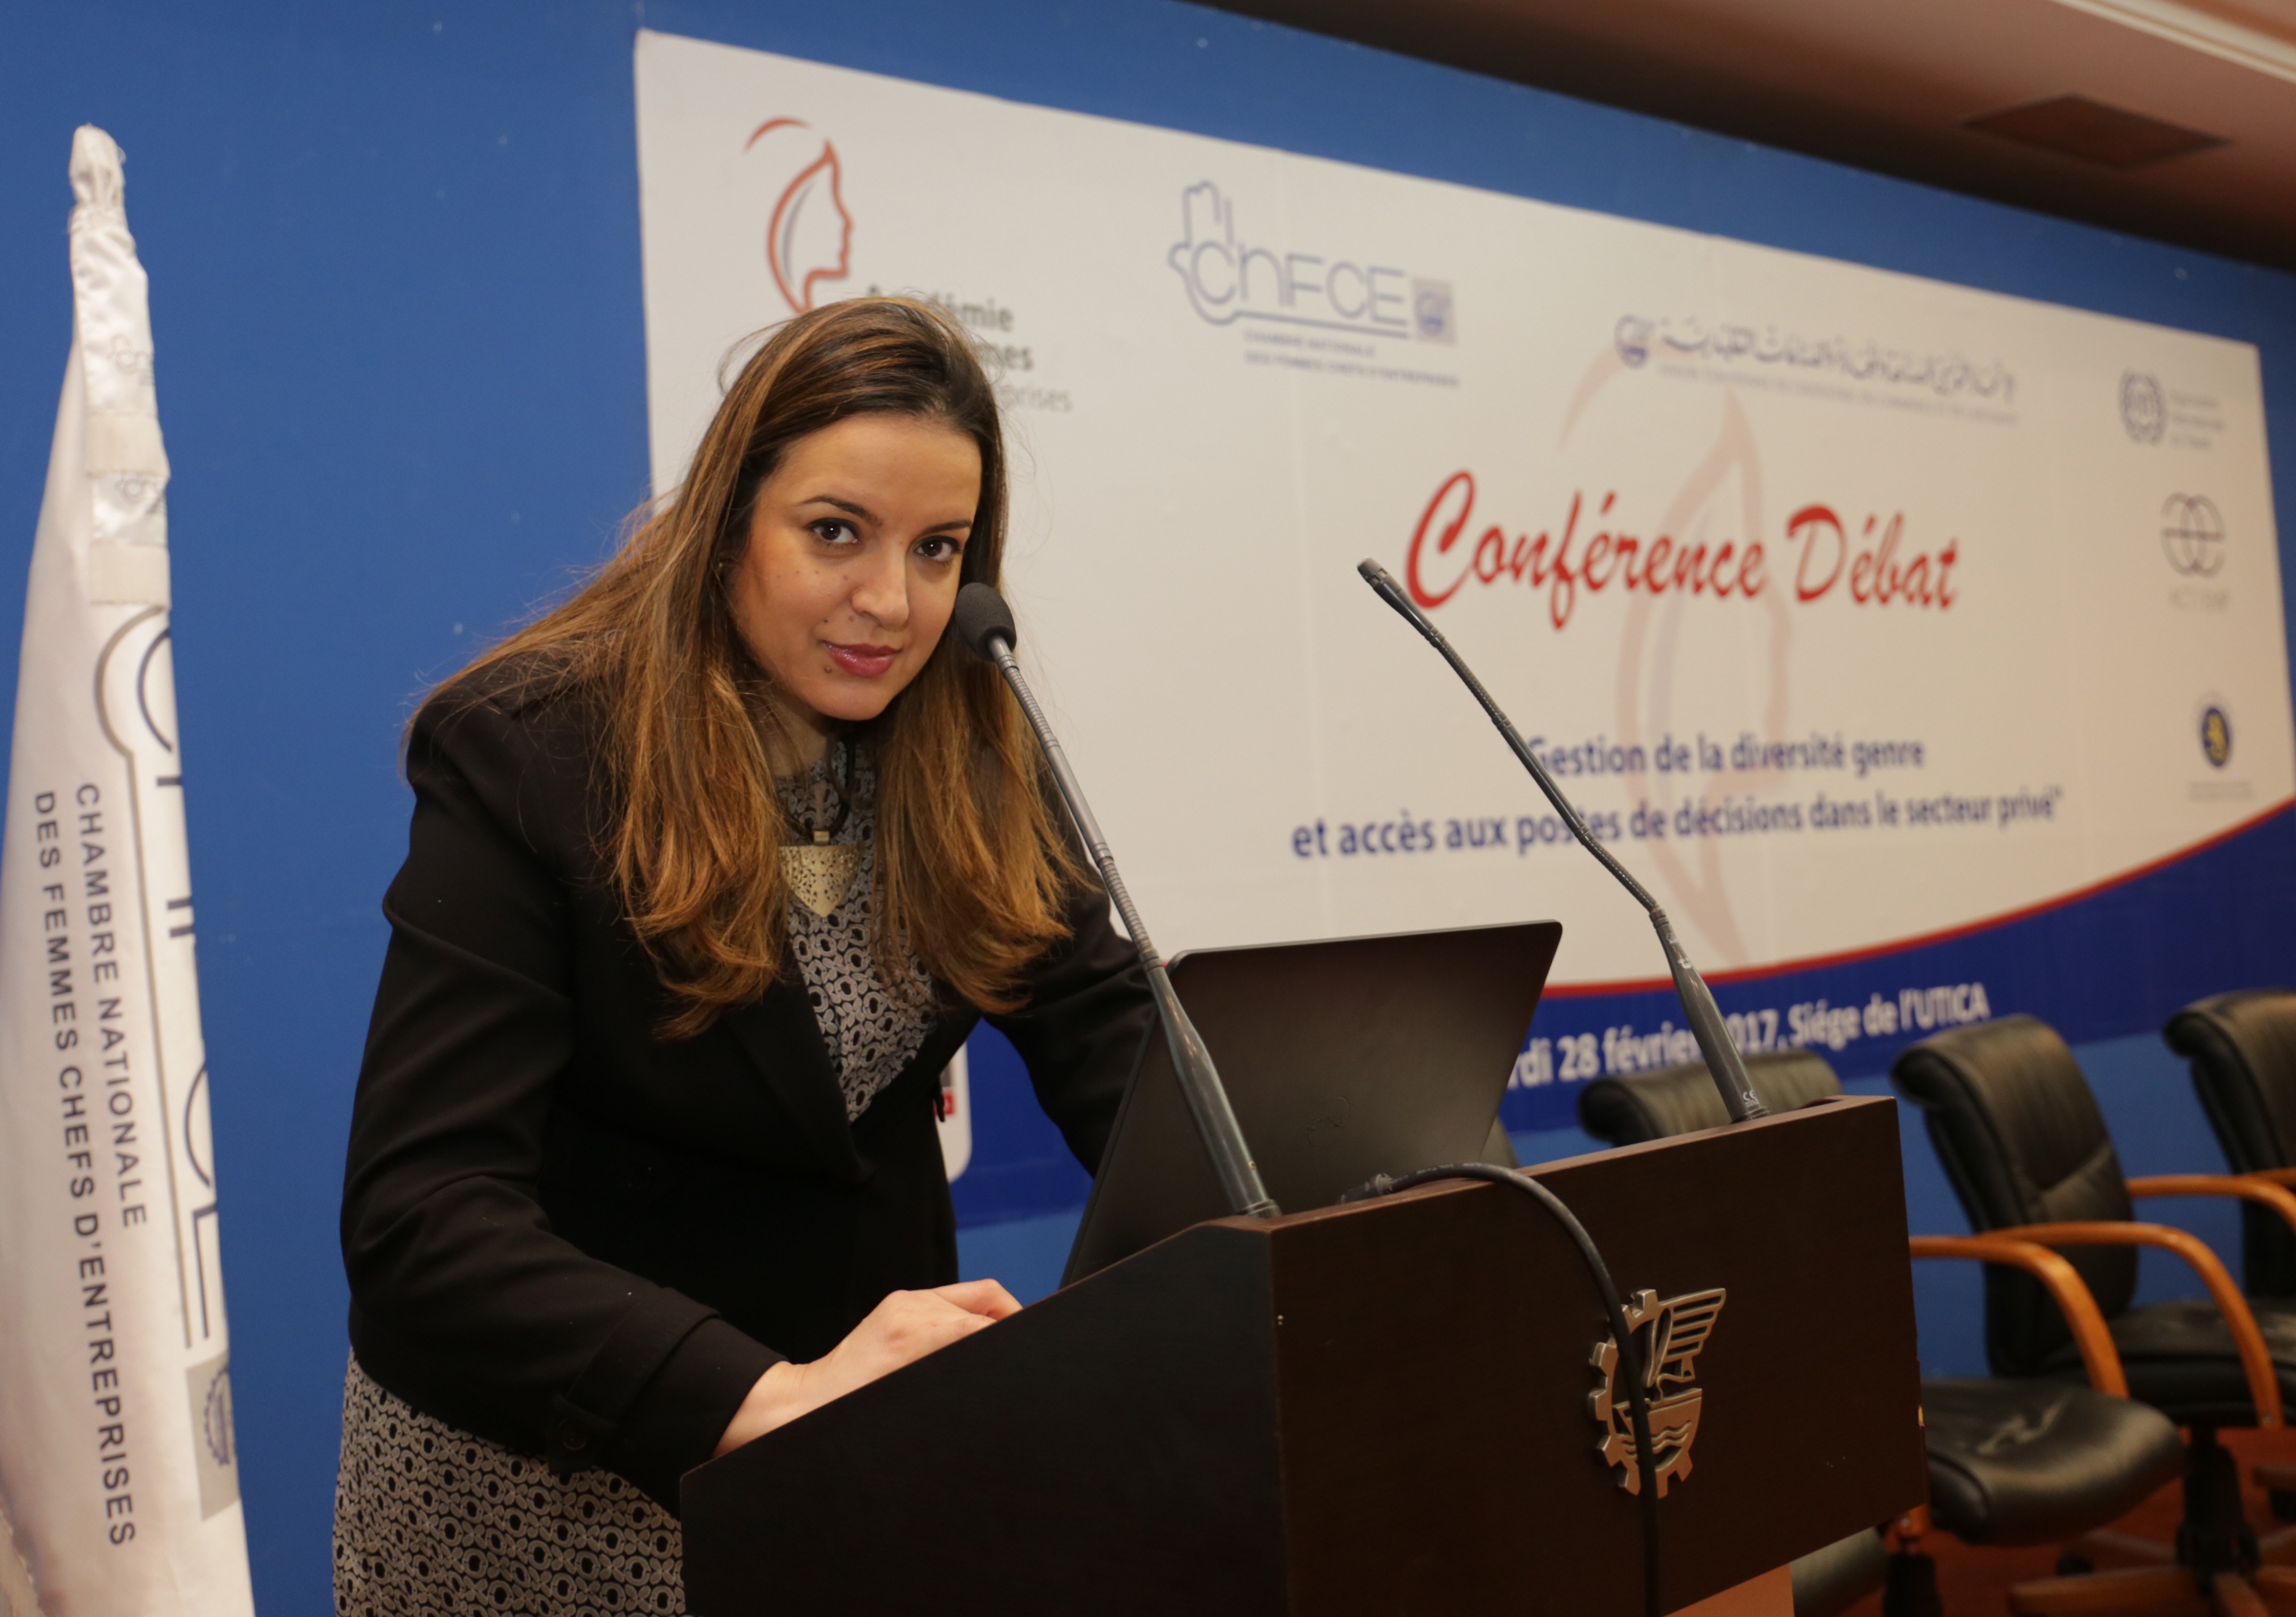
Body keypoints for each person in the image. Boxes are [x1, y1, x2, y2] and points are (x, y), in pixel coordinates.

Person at [331, 298, 1151, 1616]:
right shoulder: (532, 751)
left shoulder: (975, 754)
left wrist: (1325, 1207)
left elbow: (1124, 1054)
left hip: (842, 1458)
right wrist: (758, 1392)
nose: (891, 602)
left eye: (937, 549)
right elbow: (423, 1217)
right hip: (548, 1476)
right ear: (726, 526)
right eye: (835, 532)